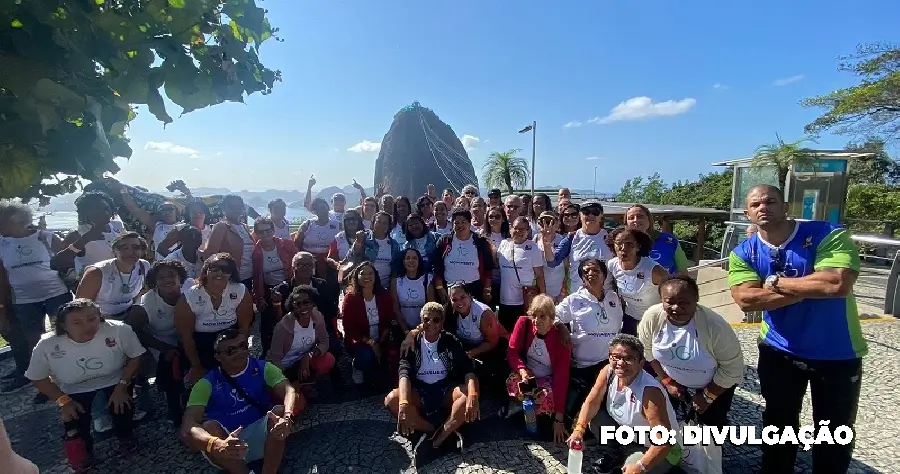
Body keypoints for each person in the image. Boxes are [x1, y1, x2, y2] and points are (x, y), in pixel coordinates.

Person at [728, 184, 865, 474]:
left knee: (835, 428)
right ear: (747, 213)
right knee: (778, 422)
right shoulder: (744, 251)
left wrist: (775, 283)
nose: (763, 207)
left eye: (771, 201)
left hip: (837, 351)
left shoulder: (827, 233)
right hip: (778, 349)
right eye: (756, 204)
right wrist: (811, 286)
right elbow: (746, 299)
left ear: (786, 206)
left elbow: (836, 284)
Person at [26, 299, 145, 470]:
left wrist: (122, 386)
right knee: (73, 421)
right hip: (73, 388)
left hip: (115, 380)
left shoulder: (119, 329)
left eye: (92, 319)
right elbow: (38, 377)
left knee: (122, 407)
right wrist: (63, 401)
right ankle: (82, 452)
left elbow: (135, 356)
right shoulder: (48, 343)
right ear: (63, 325)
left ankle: (126, 437)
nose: (87, 326)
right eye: (77, 322)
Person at [181, 329, 302, 474]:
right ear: (218, 357)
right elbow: (188, 426)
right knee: (209, 426)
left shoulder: (262, 367)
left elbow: (289, 390)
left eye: (243, 346)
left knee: (279, 413)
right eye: (231, 350)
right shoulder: (206, 384)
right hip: (225, 445)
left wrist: (287, 417)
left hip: (263, 437)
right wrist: (216, 444)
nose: (239, 352)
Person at [638, 275, 744, 439]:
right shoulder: (652, 317)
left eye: (684, 302)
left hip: (715, 384)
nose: (676, 308)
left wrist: (708, 396)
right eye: (670, 302)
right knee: (662, 422)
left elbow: (732, 369)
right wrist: (666, 380)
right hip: (673, 380)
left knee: (709, 430)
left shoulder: (715, 326)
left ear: (696, 300)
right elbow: (647, 351)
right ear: (661, 300)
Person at [568, 334, 680, 474]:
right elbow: (592, 402)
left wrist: (641, 466)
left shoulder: (650, 392)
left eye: (628, 358)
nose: (620, 363)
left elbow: (664, 441)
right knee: (597, 418)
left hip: (656, 448)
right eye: (616, 357)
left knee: (630, 470)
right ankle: (615, 454)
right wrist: (579, 430)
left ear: (641, 363)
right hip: (629, 435)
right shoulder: (608, 371)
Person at [384, 302, 480, 466]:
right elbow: (404, 372)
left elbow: (467, 369)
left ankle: (439, 438)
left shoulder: (450, 340)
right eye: (426, 320)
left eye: (436, 320)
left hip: (444, 390)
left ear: (442, 322)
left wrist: (473, 395)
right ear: (421, 321)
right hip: (420, 390)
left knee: (466, 396)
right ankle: (431, 428)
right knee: (392, 400)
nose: (431, 324)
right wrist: (404, 403)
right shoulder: (412, 341)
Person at [0, 201, 72, 394]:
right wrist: (4, 306)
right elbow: (2, 278)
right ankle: (45, 385)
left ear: (22, 221)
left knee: (64, 334)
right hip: (24, 300)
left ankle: (70, 375)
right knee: (35, 341)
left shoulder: (45, 237)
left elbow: (71, 256)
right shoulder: (2, 243)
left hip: (55, 293)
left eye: (4, 223)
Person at [555, 258, 624, 416]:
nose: (591, 273)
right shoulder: (574, 300)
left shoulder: (614, 298)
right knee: (578, 411)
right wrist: (561, 328)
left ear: (604, 275)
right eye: (586, 272)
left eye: (596, 270)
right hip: (583, 366)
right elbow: (552, 315)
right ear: (582, 278)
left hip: (609, 364)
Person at [175, 253, 254, 382]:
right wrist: (196, 366)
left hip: (230, 339)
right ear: (206, 271)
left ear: (231, 274)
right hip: (201, 343)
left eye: (226, 270)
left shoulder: (240, 291)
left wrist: (241, 355)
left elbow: (244, 328)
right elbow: (186, 336)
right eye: (214, 268)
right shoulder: (190, 296)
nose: (220, 273)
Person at [128, 260, 189, 425]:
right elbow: (132, 330)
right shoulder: (145, 303)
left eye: (171, 275)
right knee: (168, 362)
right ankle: (174, 407)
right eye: (161, 277)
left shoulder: (191, 289)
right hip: (159, 339)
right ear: (154, 282)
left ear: (180, 278)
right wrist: (163, 347)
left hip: (187, 334)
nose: (167, 279)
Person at [506, 295, 571, 443]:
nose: (536, 320)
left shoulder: (561, 339)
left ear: (552, 319)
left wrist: (559, 418)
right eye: (534, 315)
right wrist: (522, 370)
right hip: (527, 372)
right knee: (512, 383)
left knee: (546, 397)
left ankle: (536, 415)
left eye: (542, 316)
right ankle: (521, 406)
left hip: (547, 377)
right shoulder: (523, 323)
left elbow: (562, 377)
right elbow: (512, 351)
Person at [267, 285, 335, 387]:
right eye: (298, 304)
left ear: (313, 303)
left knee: (328, 359)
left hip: (301, 362)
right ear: (292, 306)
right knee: (295, 400)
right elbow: (275, 359)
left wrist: (308, 356)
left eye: (306, 302)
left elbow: (324, 341)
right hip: (281, 368)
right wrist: (283, 381)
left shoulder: (318, 317)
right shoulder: (282, 327)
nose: (302, 307)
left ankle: (307, 383)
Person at [75, 232, 151, 321]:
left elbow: (144, 290)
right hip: (101, 318)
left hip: (129, 314)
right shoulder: (96, 272)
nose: (130, 252)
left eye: (136, 247)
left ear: (142, 251)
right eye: (124, 248)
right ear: (114, 251)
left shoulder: (144, 266)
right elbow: (81, 306)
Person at [341, 262, 394, 387]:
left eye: (370, 273)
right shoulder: (350, 298)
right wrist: (372, 343)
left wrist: (381, 341)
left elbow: (389, 319)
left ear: (375, 276)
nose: (366, 277)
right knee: (367, 358)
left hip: (381, 338)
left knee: (386, 371)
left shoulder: (384, 295)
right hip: (360, 341)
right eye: (362, 273)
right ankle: (357, 366)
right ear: (356, 277)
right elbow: (349, 329)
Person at [543, 199, 612, 295]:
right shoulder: (572, 237)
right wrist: (547, 246)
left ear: (601, 216)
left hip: (605, 295)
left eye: (595, 212)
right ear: (580, 215)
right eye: (586, 212)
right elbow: (552, 262)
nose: (590, 216)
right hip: (578, 295)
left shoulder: (610, 238)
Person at [606, 227, 667, 336]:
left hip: (655, 319)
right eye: (619, 243)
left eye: (629, 244)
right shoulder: (612, 265)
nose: (623, 248)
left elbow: (672, 294)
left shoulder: (654, 271)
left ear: (638, 246)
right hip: (630, 318)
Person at [251, 217, 298, 356]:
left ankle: (293, 349)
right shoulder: (256, 252)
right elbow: (256, 276)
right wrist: (258, 297)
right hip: (267, 288)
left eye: (268, 231)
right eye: (261, 232)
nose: (265, 235)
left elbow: (298, 260)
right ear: (256, 233)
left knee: (289, 318)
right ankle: (268, 352)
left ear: (273, 230)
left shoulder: (286, 244)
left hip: (287, 286)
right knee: (267, 322)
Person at [432, 208, 494, 305]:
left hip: (474, 289)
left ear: (469, 223)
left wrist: (487, 290)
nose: (460, 225)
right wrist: (439, 288)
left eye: (463, 222)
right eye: (456, 222)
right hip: (450, 289)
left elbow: (488, 269)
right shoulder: (444, 241)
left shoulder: (480, 242)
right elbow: (436, 266)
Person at [496, 216, 546, 331]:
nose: (518, 231)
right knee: (505, 333)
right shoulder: (504, 244)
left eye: (522, 229)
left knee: (522, 333)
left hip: (524, 301)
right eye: (516, 228)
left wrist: (542, 297)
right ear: (510, 229)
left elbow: (540, 275)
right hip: (504, 300)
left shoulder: (533, 248)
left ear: (528, 231)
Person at [205, 195, 255, 291]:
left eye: (239, 206)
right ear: (224, 208)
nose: (236, 209)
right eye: (232, 206)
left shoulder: (244, 227)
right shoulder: (221, 227)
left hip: (248, 277)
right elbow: (211, 254)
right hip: (230, 278)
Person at [625, 205, 690, 275]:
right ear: (626, 222)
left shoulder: (670, 241)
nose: (635, 220)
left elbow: (683, 270)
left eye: (640, 216)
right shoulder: (622, 243)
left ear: (649, 219)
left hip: (666, 284)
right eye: (631, 218)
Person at [293, 198, 341, 278]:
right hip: (308, 263)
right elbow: (297, 243)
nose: (323, 211)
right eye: (319, 209)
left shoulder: (337, 225)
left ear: (328, 208)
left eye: (324, 208)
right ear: (315, 212)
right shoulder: (307, 225)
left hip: (329, 263)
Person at [392, 248, 435, 333]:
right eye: (407, 258)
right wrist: (406, 332)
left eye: (414, 258)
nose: (411, 261)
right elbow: (396, 309)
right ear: (403, 261)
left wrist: (418, 330)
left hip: (424, 329)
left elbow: (431, 310)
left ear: (419, 261)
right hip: (402, 329)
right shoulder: (396, 281)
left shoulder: (427, 280)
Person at [535, 211, 566, 302]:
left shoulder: (562, 240)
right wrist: (541, 293)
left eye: (550, 222)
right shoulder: (535, 239)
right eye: (543, 222)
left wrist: (564, 290)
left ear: (556, 224)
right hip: (542, 289)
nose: (547, 225)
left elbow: (567, 267)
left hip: (560, 290)